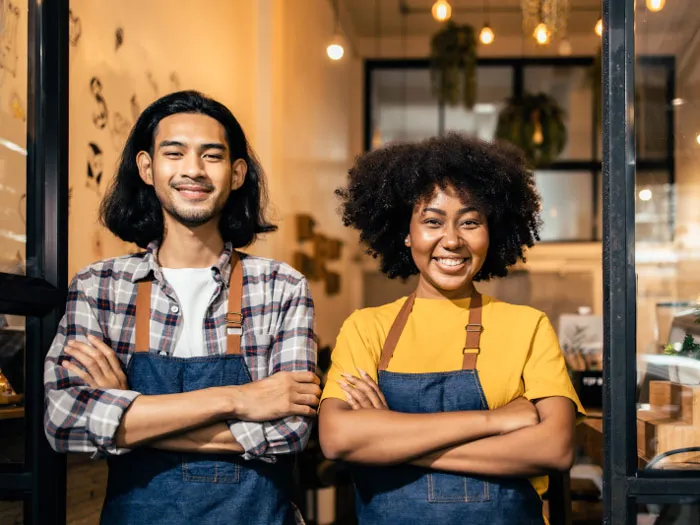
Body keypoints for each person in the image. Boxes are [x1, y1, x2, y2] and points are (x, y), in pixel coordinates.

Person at [44, 90, 320, 525]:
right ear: (147, 168)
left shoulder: (280, 286)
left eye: (211, 156)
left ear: (236, 173)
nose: (193, 170)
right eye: (174, 153)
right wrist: (238, 398)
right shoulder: (100, 286)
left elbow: (288, 433)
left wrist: (128, 414)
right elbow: (65, 422)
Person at [318, 133, 585, 525]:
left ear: (490, 232)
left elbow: (556, 448)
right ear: (406, 232)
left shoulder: (528, 326)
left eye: (470, 222)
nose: (452, 240)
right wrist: (492, 422)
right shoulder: (366, 328)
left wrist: (390, 442)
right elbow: (338, 438)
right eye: (432, 221)